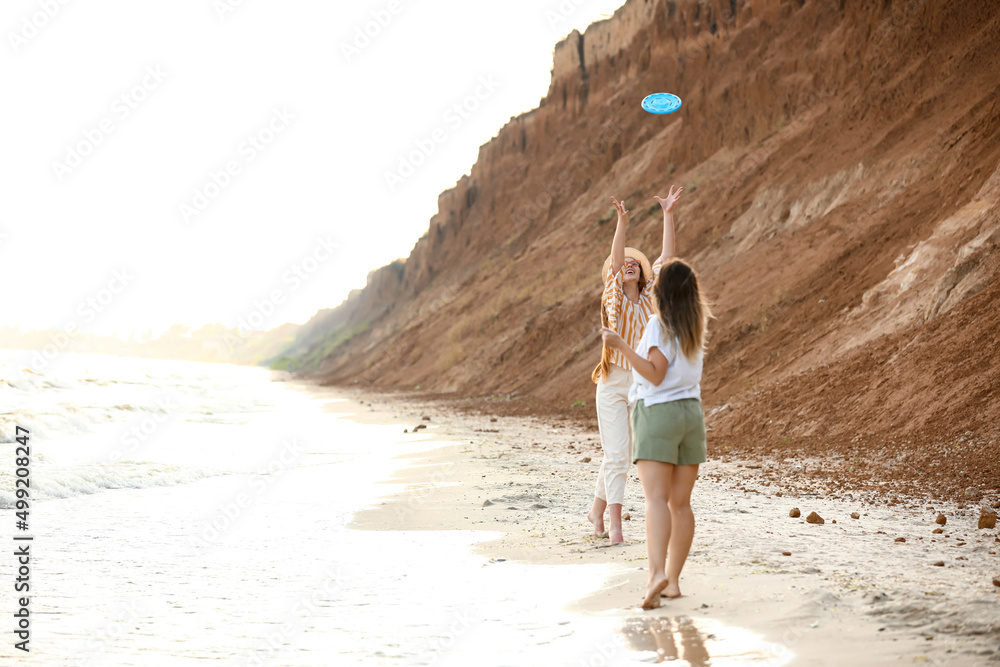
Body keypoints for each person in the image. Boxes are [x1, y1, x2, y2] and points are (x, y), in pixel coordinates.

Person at [601, 190, 710, 609]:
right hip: (691, 414)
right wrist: (667, 215)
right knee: (682, 504)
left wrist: (619, 345)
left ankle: (656, 573)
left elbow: (654, 373)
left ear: (660, 288)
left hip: (657, 411)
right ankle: (676, 581)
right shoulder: (694, 326)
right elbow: (670, 264)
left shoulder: (655, 323)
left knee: (655, 501)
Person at [588, 186, 683, 545]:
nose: (628, 264)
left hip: (639, 381)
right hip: (612, 380)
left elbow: (667, 257)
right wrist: (621, 223)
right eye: (623, 264)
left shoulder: (648, 301)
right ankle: (615, 526)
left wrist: (668, 215)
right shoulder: (614, 296)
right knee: (617, 455)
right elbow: (615, 260)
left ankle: (596, 512)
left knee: (621, 454)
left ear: (642, 274)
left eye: (635, 264)